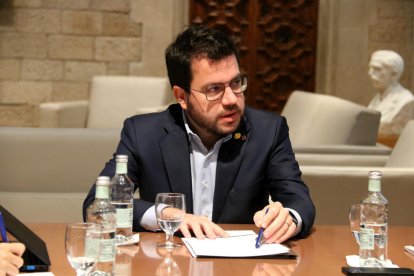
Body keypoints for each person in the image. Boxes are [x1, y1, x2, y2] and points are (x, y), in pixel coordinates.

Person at [83, 25, 315, 244]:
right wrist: (166, 214)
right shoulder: (143, 134)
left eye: (236, 83)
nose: (232, 99)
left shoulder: (268, 131)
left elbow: (299, 201)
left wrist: (289, 218)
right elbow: (97, 204)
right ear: (181, 96)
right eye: (214, 89)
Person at [367, 50, 414, 136]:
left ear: (394, 74)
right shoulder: (378, 97)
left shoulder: (406, 101)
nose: (370, 73)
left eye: (377, 69)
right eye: (370, 68)